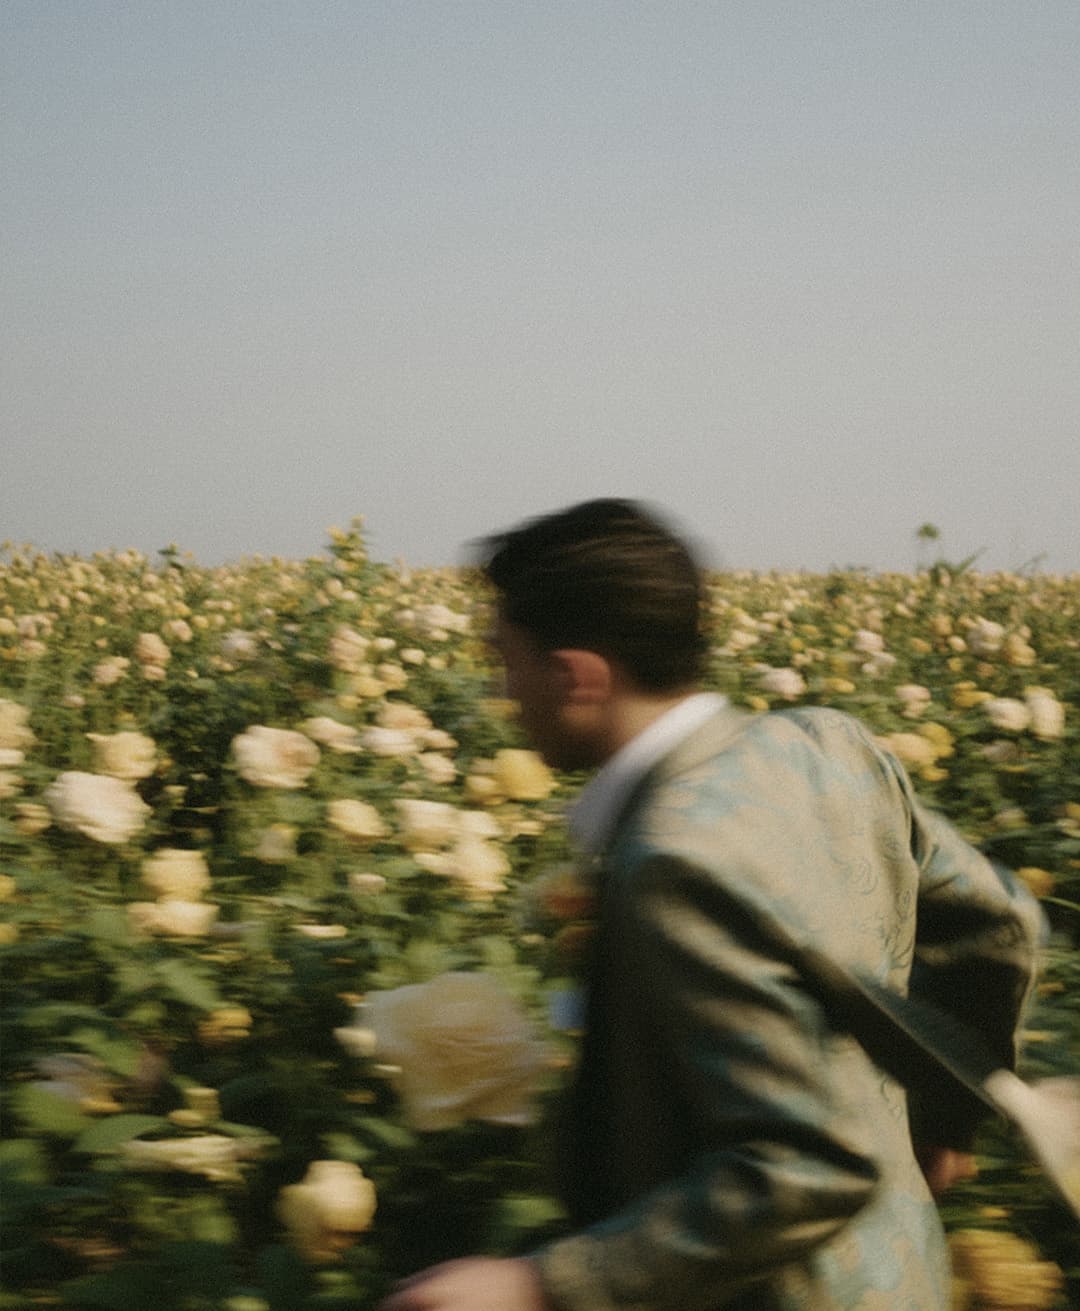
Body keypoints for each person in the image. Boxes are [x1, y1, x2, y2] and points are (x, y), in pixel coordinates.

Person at [379, 498, 1042, 1311]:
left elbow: (807, 1165)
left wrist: (541, 1283)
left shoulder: (672, 855)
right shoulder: (826, 745)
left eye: (504, 660)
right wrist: (945, 1120)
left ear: (576, 676)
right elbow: (1001, 918)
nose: (499, 690)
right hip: (901, 1269)